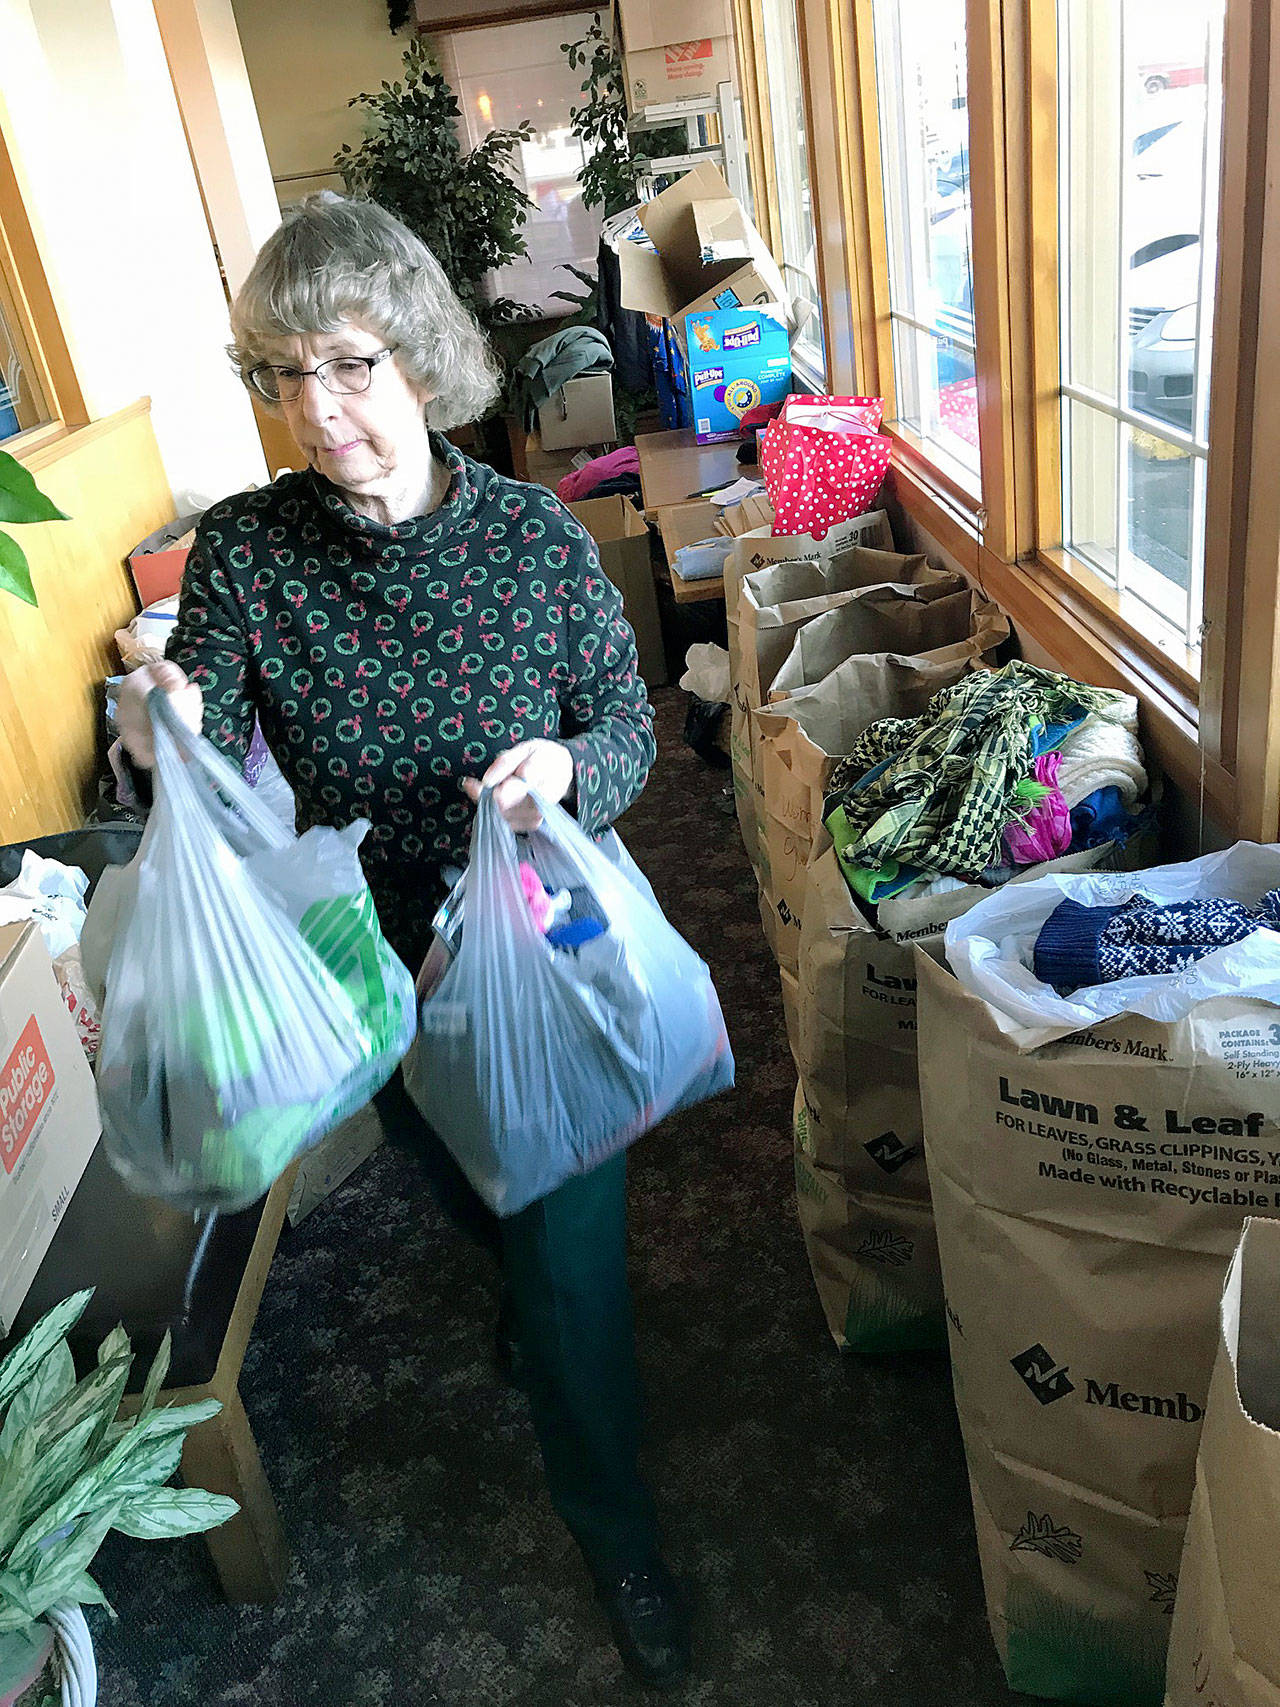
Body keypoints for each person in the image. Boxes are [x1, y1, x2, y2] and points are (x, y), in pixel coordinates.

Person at [116, 191, 689, 1687]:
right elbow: (222, 739)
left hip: (537, 940)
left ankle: (615, 1524)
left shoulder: (532, 540)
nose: (321, 410)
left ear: (423, 363)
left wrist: (567, 772)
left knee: (569, 1266)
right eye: (286, 374)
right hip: (365, 963)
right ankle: (522, 1294)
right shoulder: (245, 554)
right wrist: (167, 731)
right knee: (466, 1188)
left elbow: (626, 722)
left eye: (353, 365)